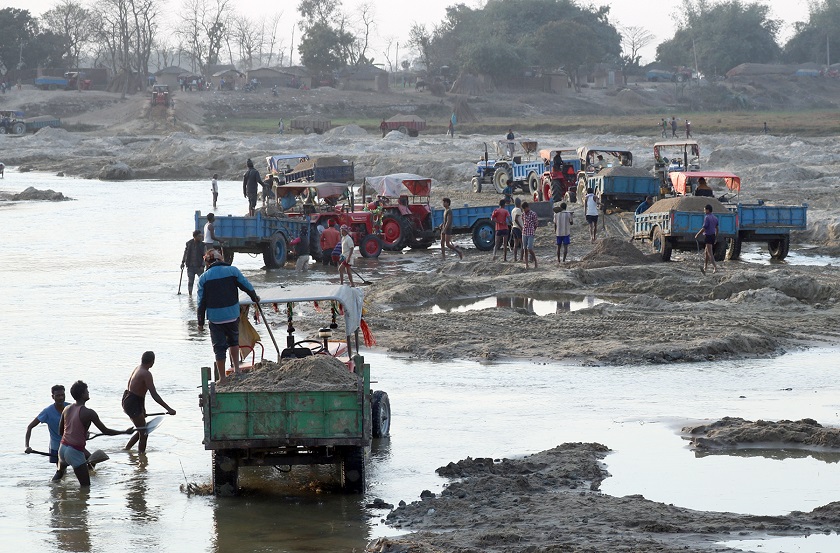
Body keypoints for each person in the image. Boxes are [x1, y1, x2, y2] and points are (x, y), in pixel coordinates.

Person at [197, 249, 260, 381]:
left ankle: (222, 378)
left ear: (208, 263)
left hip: (215, 319)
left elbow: (201, 302)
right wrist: (254, 297)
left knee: (219, 348)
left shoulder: (204, 278)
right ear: (221, 259)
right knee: (233, 342)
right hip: (232, 315)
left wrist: (200, 322)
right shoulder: (233, 271)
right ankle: (237, 370)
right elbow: (246, 286)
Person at [55, 381, 131, 487]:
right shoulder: (89, 413)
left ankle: (53, 494)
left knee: (58, 476)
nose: (88, 393)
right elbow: (106, 431)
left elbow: (61, 432)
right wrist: (125, 432)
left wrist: (81, 435)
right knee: (85, 487)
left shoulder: (66, 409)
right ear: (82, 394)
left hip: (62, 448)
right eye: (87, 391)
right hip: (74, 451)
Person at [122, 351, 176, 453]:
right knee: (144, 433)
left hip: (129, 400)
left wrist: (142, 409)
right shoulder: (146, 374)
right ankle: (141, 460)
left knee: (142, 429)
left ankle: (126, 449)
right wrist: (169, 409)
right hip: (132, 403)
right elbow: (154, 395)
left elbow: (139, 393)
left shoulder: (138, 368)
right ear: (152, 362)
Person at [25, 385, 70, 464]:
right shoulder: (47, 412)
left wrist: (85, 432)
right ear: (53, 397)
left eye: (62, 395)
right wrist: (27, 446)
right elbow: (30, 427)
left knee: (86, 465)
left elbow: (82, 421)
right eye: (58, 395)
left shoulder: (71, 407)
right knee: (61, 471)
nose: (61, 398)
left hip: (71, 444)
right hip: (56, 447)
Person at [695, 204, 719, 274]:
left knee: (710, 253)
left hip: (708, 236)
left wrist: (697, 234)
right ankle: (705, 267)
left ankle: (715, 267)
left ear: (708, 210)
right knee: (706, 252)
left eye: (705, 209)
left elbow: (704, 228)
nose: (704, 211)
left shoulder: (707, 218)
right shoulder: (715, 218)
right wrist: (716, 237)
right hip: (713, 236)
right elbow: (717, 229)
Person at [181, 230, 206, 295]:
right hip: (190, 266)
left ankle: (203, 294)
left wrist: (203, 266)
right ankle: (190, 296)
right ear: (195, 237)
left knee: (202, 281)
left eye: (201, 236)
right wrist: (183, 262)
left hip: (199, 266)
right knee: (190, 282)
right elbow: (185, 254)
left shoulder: (203, 245)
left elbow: (205, 256)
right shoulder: (189, 244)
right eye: (199, 236)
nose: (201, 237)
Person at [521, 201, 539, 269]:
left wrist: (533, 230)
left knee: (530, 248)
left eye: (524, 209)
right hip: (524, 232)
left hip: (531, 232)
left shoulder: (533, 214)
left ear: (527, 207)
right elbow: (523, 221)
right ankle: (526, 264)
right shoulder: (523, 214)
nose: (524, 210)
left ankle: (535, 262)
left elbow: (536, 224)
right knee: (525, 248)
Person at [510, 197, 524, 262]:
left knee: (516, 244)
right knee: (522, 244)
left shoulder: (513, 210)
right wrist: (521, 227)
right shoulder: (518, 210)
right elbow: (516, 219)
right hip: (518, 228)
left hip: (514, 228)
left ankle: (515, 258)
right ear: (519, 203)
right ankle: (521, 258)